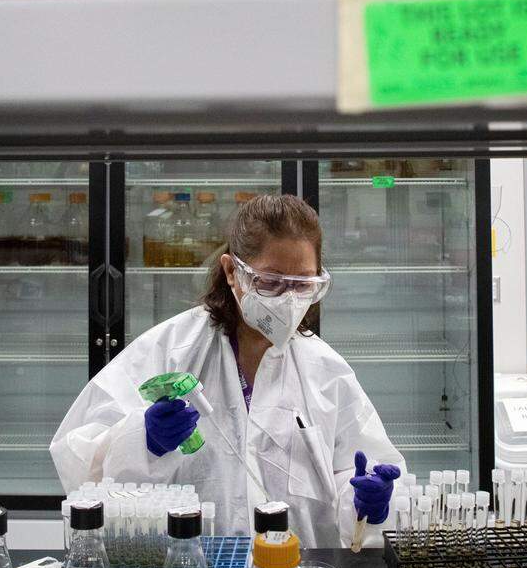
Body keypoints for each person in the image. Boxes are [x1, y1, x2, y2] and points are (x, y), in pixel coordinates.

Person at [50, 194, 405, 547]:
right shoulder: (171, 351)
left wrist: (366, 504)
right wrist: (142, 441)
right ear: (232, 271)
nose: (288, 299)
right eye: (271, 282)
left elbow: (357, 472)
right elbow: (78, 461)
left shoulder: (327, 372)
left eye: (302, 285)